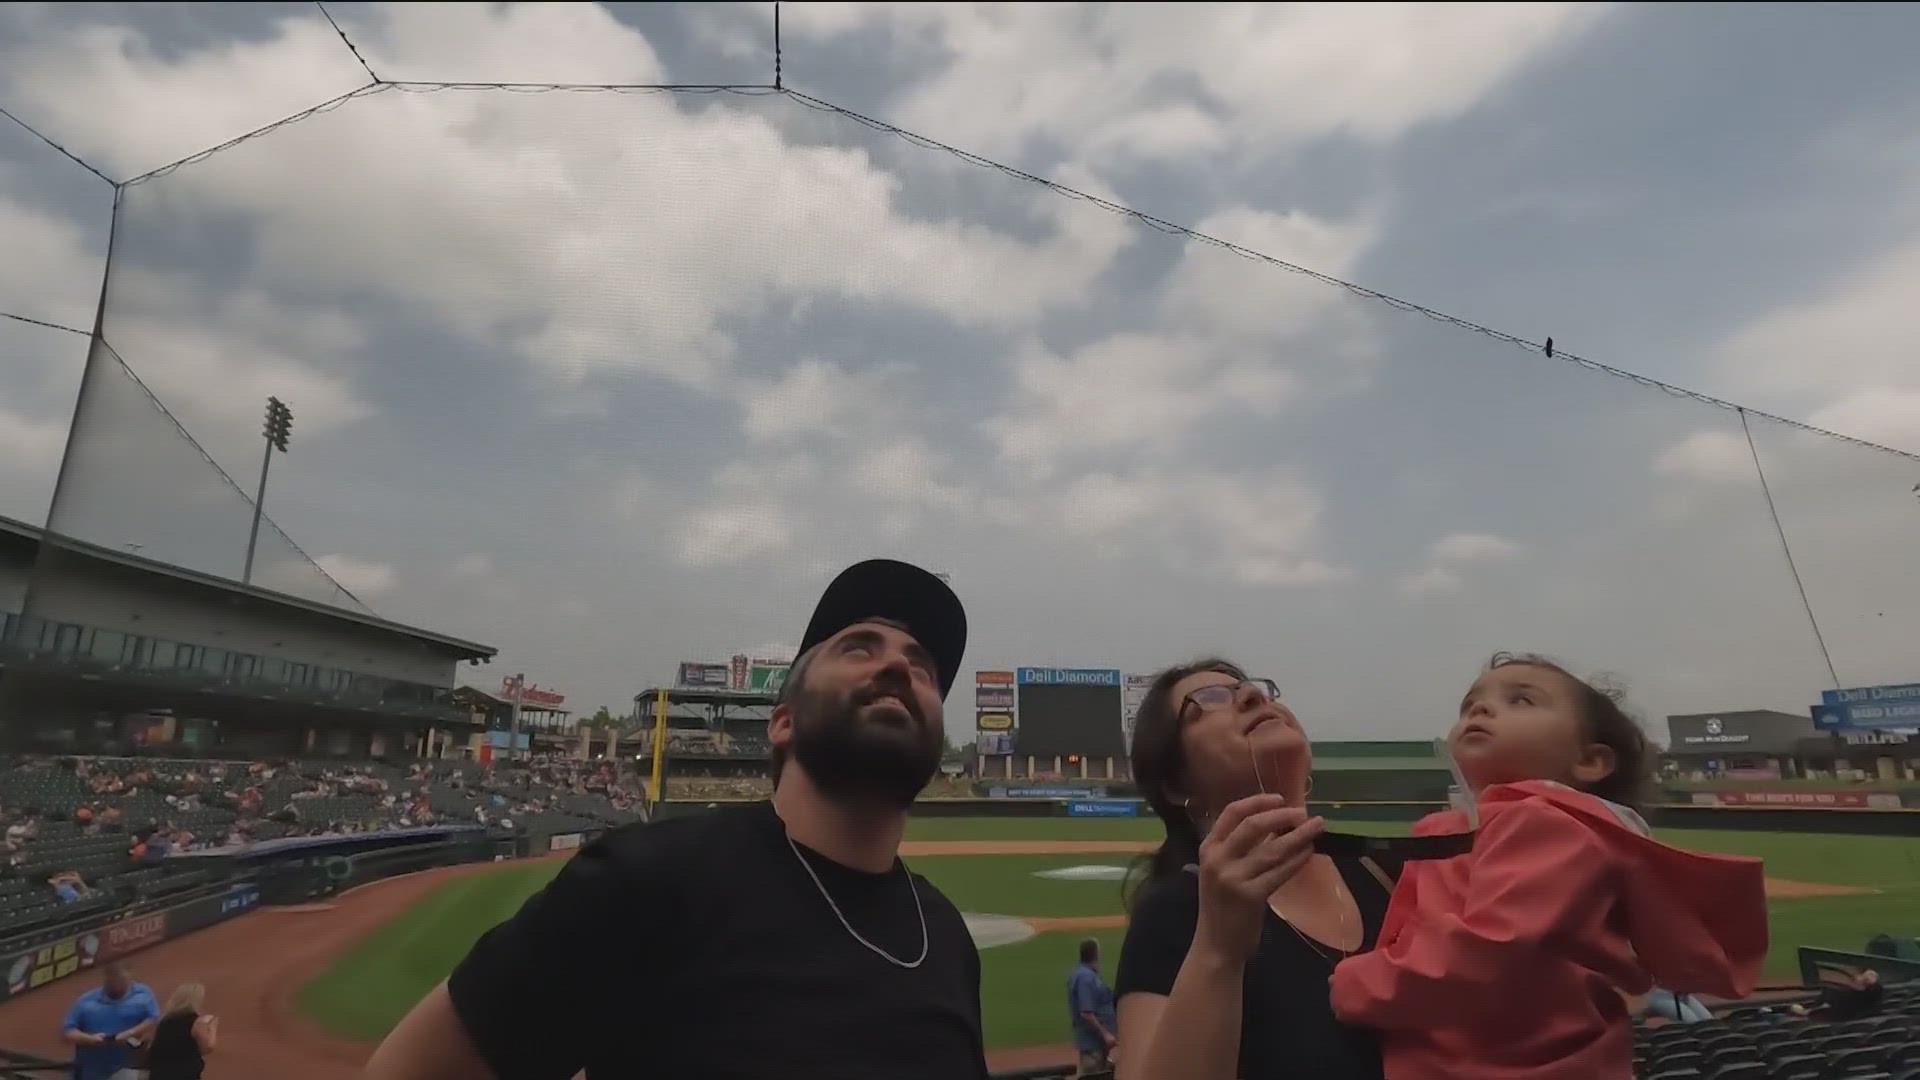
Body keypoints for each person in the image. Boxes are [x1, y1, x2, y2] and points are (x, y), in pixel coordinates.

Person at [366, 559, 989, 1080]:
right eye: (858, 647)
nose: (898, 667)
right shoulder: (646, 884)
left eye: (923, 667)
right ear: (783, 721)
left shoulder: (946, 936)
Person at [1328, 652, 1769, 1080]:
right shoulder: (1468, 824)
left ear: (1590, 761)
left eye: (1520, 699)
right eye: (1469, 704)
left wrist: (1356, 985)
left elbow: (1488, 950)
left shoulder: (1547, 822)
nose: (1479, 707)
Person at [1115, 658, 1374, 1080]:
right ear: (1178, 786)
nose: (1254, 695)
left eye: (1253, 689)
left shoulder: (1389, 874)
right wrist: (1218, 949)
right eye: (1209, 701)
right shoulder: (1175, 914)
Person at [60, 963, 160, 1080]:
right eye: (114, 984)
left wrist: (131, 1033)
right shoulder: (86, 1002)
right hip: (94, 1067)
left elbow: (153, 1018)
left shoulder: (143, 994)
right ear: (105, 981)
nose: (119, 987)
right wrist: (90, 1039)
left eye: (123, 983)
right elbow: (68, 1032)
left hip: (129, 1064)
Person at [142, 983, 216, 1080]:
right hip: (184, 1074)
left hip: (159, 1073)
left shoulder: (164, 1020)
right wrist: (212, 1027)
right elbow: (207, 1048)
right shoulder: (196, 1022)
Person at [1068, 938, 1118, 1076]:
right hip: (1092, 1042)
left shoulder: (1086, 973)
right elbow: (1086, 1012)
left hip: (1096, 1042)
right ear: (1095, 953)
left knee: (1099, 1072)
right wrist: (1106, 1034)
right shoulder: (1085, 977)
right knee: (1092, 1074)